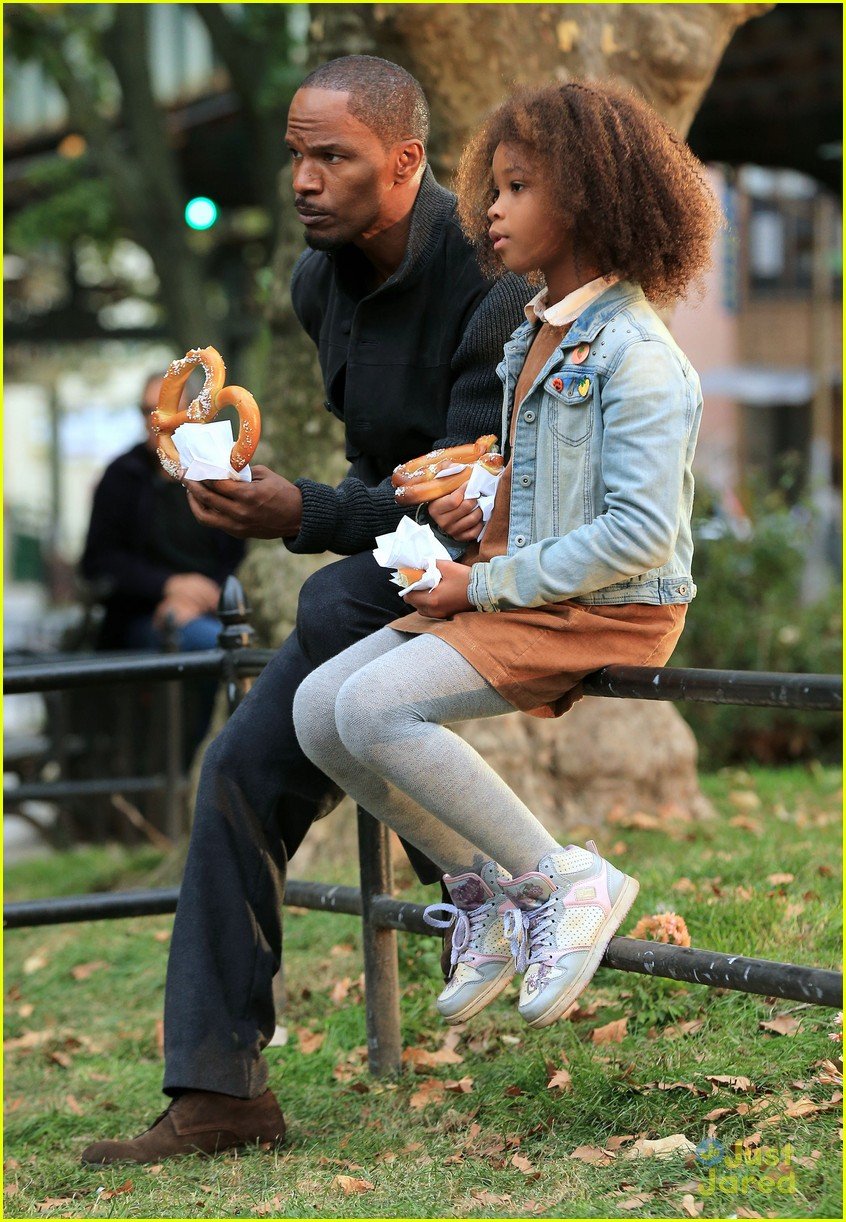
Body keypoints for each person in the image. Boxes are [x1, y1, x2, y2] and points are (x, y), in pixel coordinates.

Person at [80, 56, 531, 1165]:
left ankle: (491, 891)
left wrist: (307, 509)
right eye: (296, 153)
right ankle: (220, 1089)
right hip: (395, 561)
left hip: (507, 554)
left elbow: (467, 488)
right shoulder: (312, 284)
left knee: (322, 608)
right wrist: (257, 491)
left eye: (332, 156)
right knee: (238, 769)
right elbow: (374, 469)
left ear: (405, 160)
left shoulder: (492, 271)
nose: (303, 179)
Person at [292, 82, 719, 1032]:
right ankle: (486, 896)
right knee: (319, 710)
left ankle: (562, 881)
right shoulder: (537, 333)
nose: (488, 206)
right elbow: (546, 483)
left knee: (371, 703)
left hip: (605, 606)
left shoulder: (637, 355)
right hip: (526, 592)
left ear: (588, 200)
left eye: (517, 186)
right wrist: (481, 494)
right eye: (495, 184)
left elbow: (639, 534)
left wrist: (475, 581)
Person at [80, 373, 246, 743]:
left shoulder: (216, 473)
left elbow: (241, 552)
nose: (156, 421)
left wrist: (208, 595)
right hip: (142, 618)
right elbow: (98, 562)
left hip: (217, 609)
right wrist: (168, 588)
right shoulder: (122, 477)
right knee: (214, 646)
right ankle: (199, 757)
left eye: (167, 409)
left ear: (193, 413)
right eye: (146, 411)